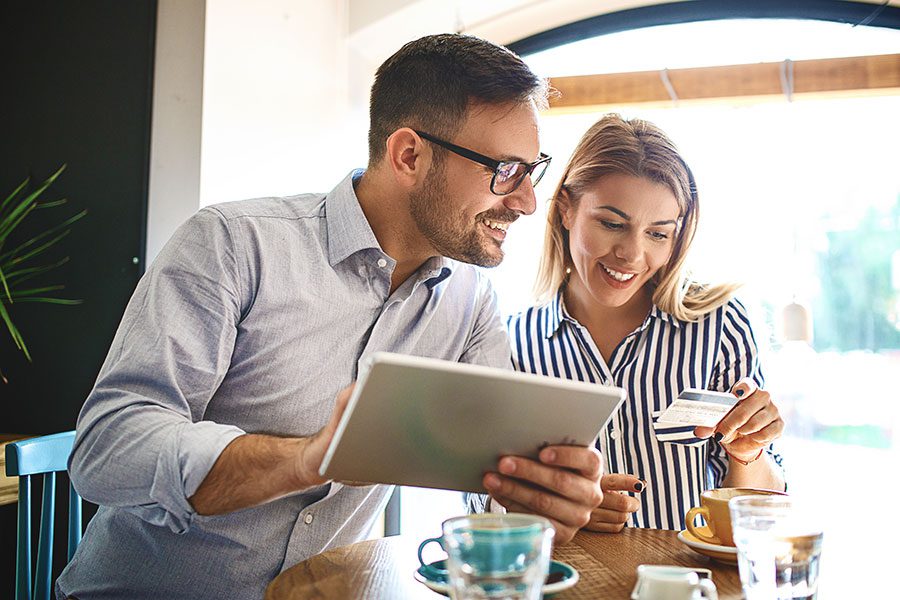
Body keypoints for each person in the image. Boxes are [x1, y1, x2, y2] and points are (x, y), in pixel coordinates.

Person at [57, 34, 604, 600]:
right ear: (409, 156)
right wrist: (306, 460)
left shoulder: (470, 302)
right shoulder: (233, 245)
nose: (525, 202)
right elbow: (107, 450)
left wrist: (539, 494)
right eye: (505, 170)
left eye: (531, 170)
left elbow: (490, 475)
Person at [506, 114, 785, 533]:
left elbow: (764, 511)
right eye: (612, 224)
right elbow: (485, 506)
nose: (632, 255)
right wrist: (558, 506)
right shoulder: (512, 342)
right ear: (566, 209)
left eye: (658, 234)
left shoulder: (721, 324)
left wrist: (748, 454)